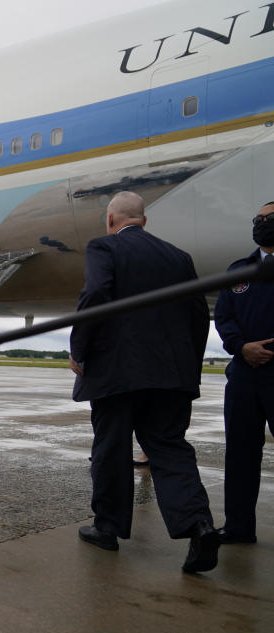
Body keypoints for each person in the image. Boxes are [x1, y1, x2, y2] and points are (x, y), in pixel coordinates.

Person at [68, 191, 218, 573]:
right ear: (144, 221)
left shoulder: (104, 247)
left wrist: (79, 349)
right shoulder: (179, 257)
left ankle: (108, 529)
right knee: (169, 449)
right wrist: (186, 369)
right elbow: (200, 315)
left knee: (112, 450)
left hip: (117, 373)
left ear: (110, 219)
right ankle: (199, 525)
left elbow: (96, 294)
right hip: (170, 376)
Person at [212, 201, 274, 545]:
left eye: (270, 219)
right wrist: (241, 348)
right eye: (258, 220)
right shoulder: (240, 270)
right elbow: (224, 317)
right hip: (245, 375)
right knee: (240, 453)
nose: (263, 224)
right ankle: (238, 527)